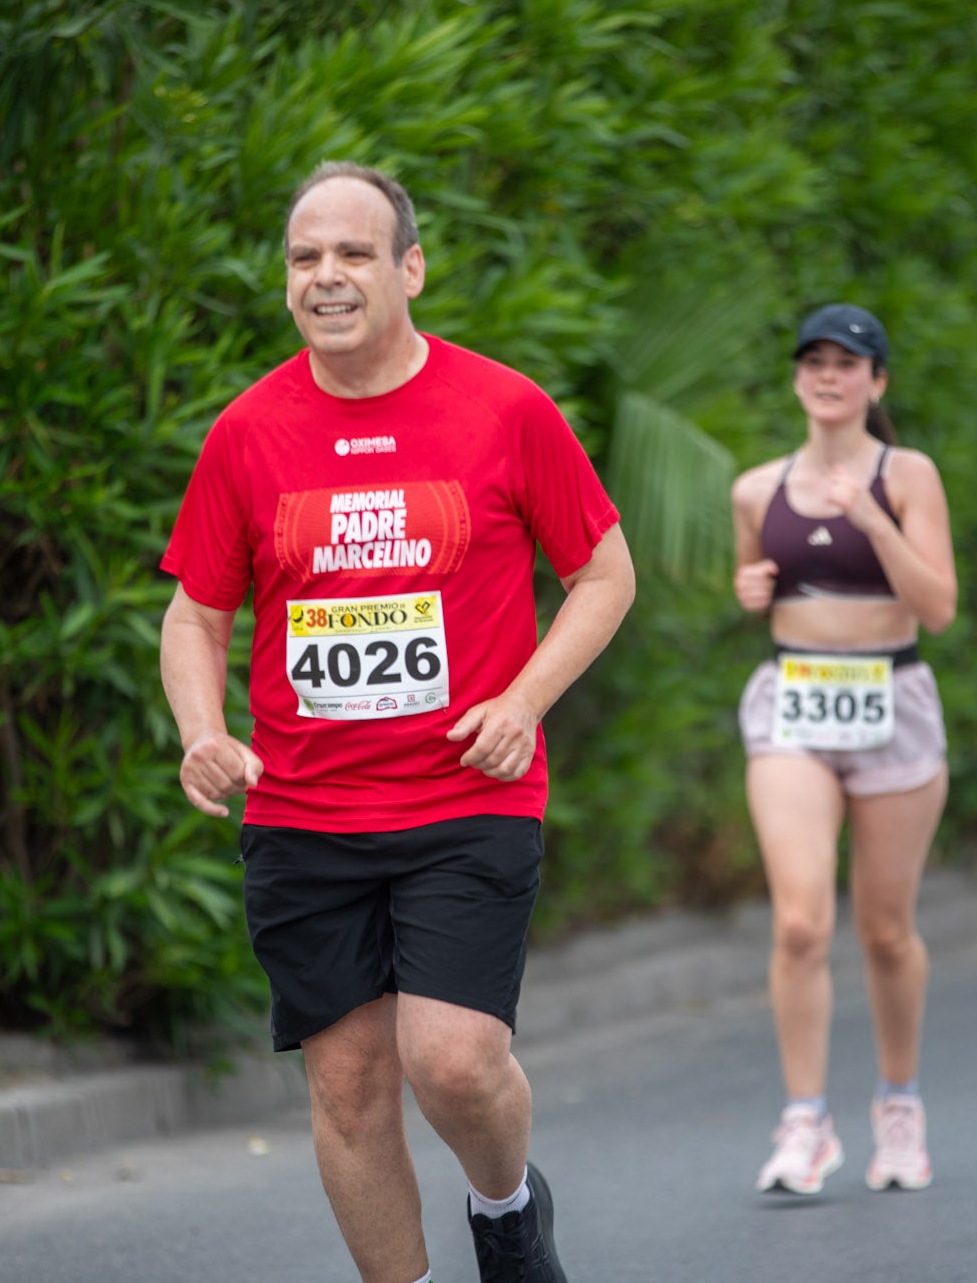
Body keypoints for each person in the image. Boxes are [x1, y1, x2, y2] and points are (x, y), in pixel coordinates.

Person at [159, 161, 633, 1283]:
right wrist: (200, 730)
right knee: (349, 1081)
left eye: (353, 253)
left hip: (466, 795)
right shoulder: (247, 431)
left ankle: (506, 1209)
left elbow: (604, 575)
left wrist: (523, 700)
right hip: (305, 811)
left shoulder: (504, 409)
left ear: (410, 268)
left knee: (453, 1058)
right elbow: (196, 614)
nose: (325, 276)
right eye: (304, 257)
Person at [730, 303, 957, 1195]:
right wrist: (751, 588)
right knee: (799, 921)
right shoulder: (757, 489)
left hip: (891, 698)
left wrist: (873, 518)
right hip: (794, 699)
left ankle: (899, 1106)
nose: (828, 375)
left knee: (885, 929)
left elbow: (938, 606)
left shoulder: (909, 475)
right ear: (797, 378)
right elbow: (755, 580)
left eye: (848, 362)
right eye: (814, 361)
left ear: (877, 381)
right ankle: (805, 1121)